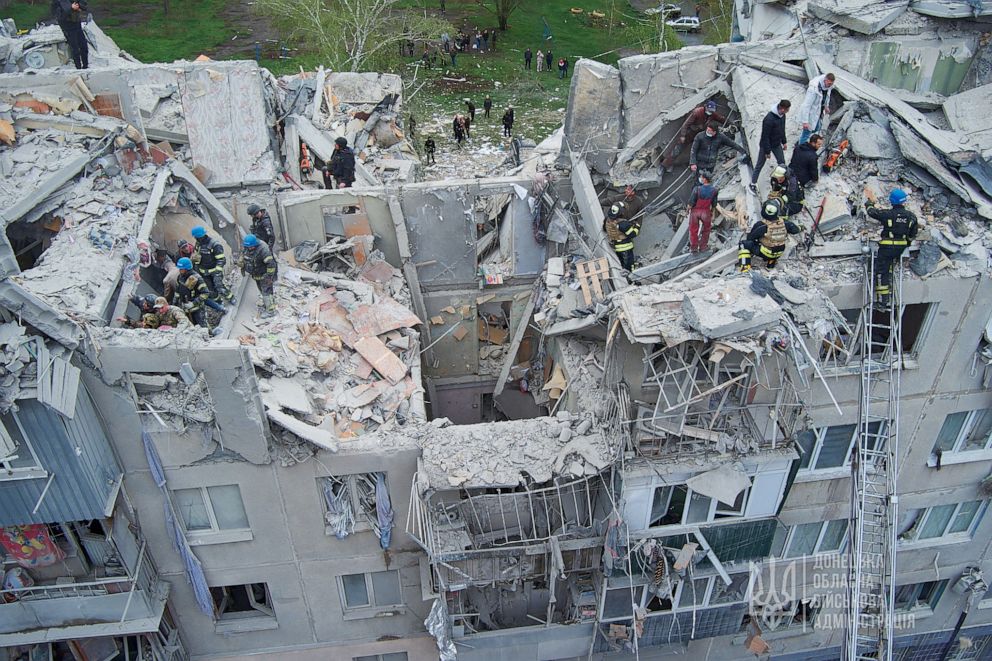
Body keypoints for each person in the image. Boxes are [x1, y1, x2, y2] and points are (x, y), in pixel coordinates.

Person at [866, 188, 918, 310]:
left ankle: (883, 302)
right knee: (888, 266)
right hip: (900, 248)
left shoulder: (888, 214)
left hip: (886, 248)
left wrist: (869, 204)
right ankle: (888, 286)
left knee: (881, 272)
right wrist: (907, 244)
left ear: (892, 201)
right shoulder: (911, 217)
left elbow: (872, 212)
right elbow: (913, 234)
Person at [738, 197, 802, 272]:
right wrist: (800, 227)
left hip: (766, 252)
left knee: (743, 244)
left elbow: (750, 238)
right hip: (779, 252)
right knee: (775, 243)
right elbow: (795, 230)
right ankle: (770, 265)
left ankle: (744, 268)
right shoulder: (784, 223)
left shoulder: (762, 225)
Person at [663, 100, 726, 170]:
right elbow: (685, 125)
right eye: (709, 110)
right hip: (690, 133)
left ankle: (692, 163)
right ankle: (664, 165)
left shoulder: (712, 114)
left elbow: (721, 119)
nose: (710, 112)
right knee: (677, 150)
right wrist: (683, 135)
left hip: (700, 134)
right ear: (705, 107)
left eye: (712, 111)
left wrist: (731, 123)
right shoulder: (697, 112)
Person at [750, 99, 791, 188]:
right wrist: (767, 152)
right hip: (766, 145)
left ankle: (782, 180)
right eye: (787, 109)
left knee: (782, 163)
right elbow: (765, 136)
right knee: (759, 165)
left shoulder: (782, 116)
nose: (788, 111)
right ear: (783, 109)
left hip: (776, 144)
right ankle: (753, 183)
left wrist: (784, 142)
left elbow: (782, 129)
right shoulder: (768, 119)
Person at [191, 226, 234, 304]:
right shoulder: (198, 244)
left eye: (196, 237)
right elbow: (197, 257)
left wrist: (217, 271)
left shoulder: (214, 244)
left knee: (219, 286)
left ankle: (230, 297)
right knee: (210, 289)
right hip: (204, 272)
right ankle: (218, 301)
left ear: (201, 236)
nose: (195, 238)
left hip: (215, 270)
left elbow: (221, 259)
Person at [241, 234, 278, 318]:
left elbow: (271, 265)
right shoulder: (247, 246)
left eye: (250, 247)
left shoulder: (263, 249)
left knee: (266, 292)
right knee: (262, 290)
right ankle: (269, 304)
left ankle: (271, 311)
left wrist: (268, 277)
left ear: (255, 244)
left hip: (264, 274)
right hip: (256, 274)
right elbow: (245, 255)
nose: (249, 249)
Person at [797, 73, 835, 145]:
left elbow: (827, 96)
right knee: (806, 133)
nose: (830, 85)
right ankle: (800, 149)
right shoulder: (814, 89)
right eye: (829, 83)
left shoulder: (828, 86)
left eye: (831, 84)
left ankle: (802, 140)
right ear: (825, 80)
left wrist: (826, 106)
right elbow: (806, 105)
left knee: (817, 127)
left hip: (818, 112)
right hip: (810, 114)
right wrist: (805, 121)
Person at [51, 0, 88, 70]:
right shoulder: (57, 3)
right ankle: (78, 68)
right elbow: (60, 17)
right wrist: (71, 8)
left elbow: (84, 5)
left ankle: (85, 66)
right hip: (68, 28)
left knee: (84, 47)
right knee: (75, 49)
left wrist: (79, 6)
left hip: (77, 25)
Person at [687, 172, 718, 252]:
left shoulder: (697, 189)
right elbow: (714, 205)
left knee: (693, 229)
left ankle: (694, 248)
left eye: (701, 177)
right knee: (706, 229)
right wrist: (713, 215)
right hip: (706, 212)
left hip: (695, 212)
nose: (700, 178)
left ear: (704, 179)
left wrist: (687, 211)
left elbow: (691, 203)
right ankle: (703, 247)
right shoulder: (714, 190)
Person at [176, 257, 211, 327]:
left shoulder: (197, 278)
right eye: (179, 269)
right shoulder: (180, 277)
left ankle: (211, 336)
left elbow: (205, 293)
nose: (180, 270)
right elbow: (177, 291)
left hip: (197, 308)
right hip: (186, 308)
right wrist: (176, 303)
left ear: (187, 268)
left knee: (202, 326)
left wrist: (193, 303)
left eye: (181, 269)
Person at [604, 203, 640, 271]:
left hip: (617, 247)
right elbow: (632, 234)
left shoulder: (607, 220)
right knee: (629, 266)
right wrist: (636, 227)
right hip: (626, 247)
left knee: (623, 263)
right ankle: (631, 279)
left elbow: (606, 229)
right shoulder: (623, 224)